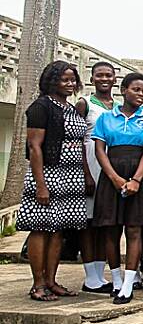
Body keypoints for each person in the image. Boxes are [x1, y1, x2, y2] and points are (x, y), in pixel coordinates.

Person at [18, 61, 89, 301]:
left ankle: (51, 280)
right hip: (48, 174)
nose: (69, 84)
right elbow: (35, 147)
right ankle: (38, 284)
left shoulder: (70, 107)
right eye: (64, 79)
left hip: (71, 176)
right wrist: (41, 185)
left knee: (58, 230)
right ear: (52, 80)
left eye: (72, 80)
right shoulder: (41, 106)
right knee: (40, 228)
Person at [93, 73, 143, 304]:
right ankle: (116, 280)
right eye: (136, 90)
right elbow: (100, 150)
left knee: (134, 230)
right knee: (111, 229)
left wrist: (136, 180)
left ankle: (129, 284)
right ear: (123, 90)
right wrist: (114, 178)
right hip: (111, 172)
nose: (141, 95)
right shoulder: (105, 118)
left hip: (138, 173)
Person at [75, 61, 115, 293]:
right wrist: (86, 173)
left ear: (114, 79)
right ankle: (90, 276)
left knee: (104, 223)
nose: (104, 79)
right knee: (89, 223)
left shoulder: (119, 106)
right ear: (92, 79)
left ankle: (100, 276)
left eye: (108, 75)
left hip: (111, 164)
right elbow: (76, 139)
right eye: (99, 75)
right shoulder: (85, 104)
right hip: (90, 162)